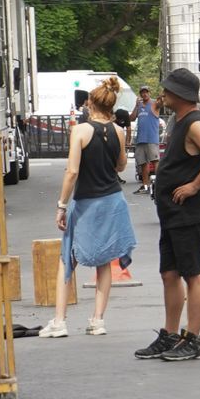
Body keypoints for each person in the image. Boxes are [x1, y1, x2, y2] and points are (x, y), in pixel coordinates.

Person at [134, 68, 200, 362]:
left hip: (189, 212)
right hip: (173, 213)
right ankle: (170, 334)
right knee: (170, 273)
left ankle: (193, 339)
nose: (164, 95)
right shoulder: (181, 120)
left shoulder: (195, 123)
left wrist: (193, 186)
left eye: (168, 91)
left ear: (181, 95)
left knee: (192, 274)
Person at [40, 77, 137, 339]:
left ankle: (59, 321)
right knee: (104, 260)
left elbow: (72, 171)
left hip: (86, 202)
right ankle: (98, 320)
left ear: (90, 103)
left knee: (67, 258)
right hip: (113, 201)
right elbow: (120, 166)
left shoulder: (80, 131)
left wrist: (61, 205)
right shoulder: (118, 131)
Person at [131, 86, 162, 191]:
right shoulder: (139, 105)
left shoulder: (154, 103)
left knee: (155, 160)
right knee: (143, 163)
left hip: (151, 138)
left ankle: (159, 185)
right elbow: (131, 118)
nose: (144, 94)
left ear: (149, 93)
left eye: (146, 92)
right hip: (141, 138)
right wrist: (136, 106)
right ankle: (145, 186)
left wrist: (162, 96)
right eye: (142, 92)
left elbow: (160, 103)